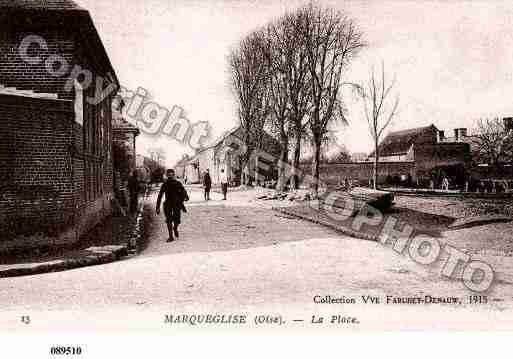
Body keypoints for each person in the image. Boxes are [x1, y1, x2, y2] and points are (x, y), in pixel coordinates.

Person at [156, 169, 189, 242]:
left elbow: (183, 191)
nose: (170, 176)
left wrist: (186, 196)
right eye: (169, 175)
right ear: (167, 175)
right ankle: (170, 236)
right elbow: (160, 196)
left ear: (173, 175)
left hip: (177, 204)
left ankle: (175, 228)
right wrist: (157, 207)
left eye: (172, 174)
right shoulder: (165, 184)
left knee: (177, 219)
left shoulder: (178, 183)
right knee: (169, 220)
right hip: (168, 204)